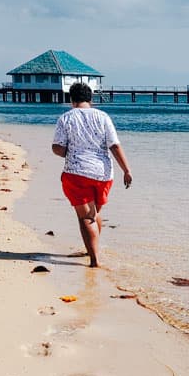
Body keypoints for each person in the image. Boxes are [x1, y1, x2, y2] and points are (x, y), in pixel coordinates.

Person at [51, 82, 132, 268]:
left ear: (71, 99)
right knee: (93, 214)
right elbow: (114, 145)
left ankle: (94, 261)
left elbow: (59, 148)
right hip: (103, 174)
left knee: (86, 217)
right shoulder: (103, 117)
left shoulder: (66, 118)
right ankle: (92, 249)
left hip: (76, 173)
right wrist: (126, 170)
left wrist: (63, 151)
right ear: (91, 99)